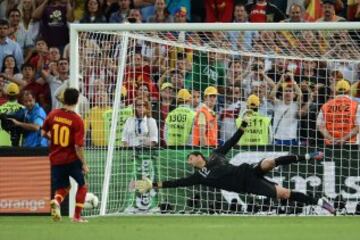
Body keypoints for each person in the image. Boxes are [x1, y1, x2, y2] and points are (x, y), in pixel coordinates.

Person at [133, 120, 336, 215]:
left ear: (197, 157)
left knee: (270, 162)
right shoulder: (199, 176)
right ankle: (320, 201)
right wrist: (154, 185)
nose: (189, 163)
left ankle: (308, 155)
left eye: (190, 159)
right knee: (284, 193)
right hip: (246, 186)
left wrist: (243, 126)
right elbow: (176, 183)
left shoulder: (215, 155)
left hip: (247, 171)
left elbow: (230, 142)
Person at [41, 88, 89, 223]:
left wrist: (55, 139)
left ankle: (56, 201)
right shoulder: (77, 120)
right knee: (83, 185)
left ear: (63, 99)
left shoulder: (53, 114)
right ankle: (77, 217)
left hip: (55, 159)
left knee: (63, 187)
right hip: (71, 159)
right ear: (77, 100)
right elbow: (78, 146)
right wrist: (84, 163)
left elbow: (43, 133)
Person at [317, 79, 360, 145]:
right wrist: (344, 139)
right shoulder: (356, 105)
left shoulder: (325, 105)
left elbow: (320, 126)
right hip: (350, 145)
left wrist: (331, 139)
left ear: (335, 91)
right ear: (348, 91)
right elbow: (358, 127)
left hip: (330, 145)